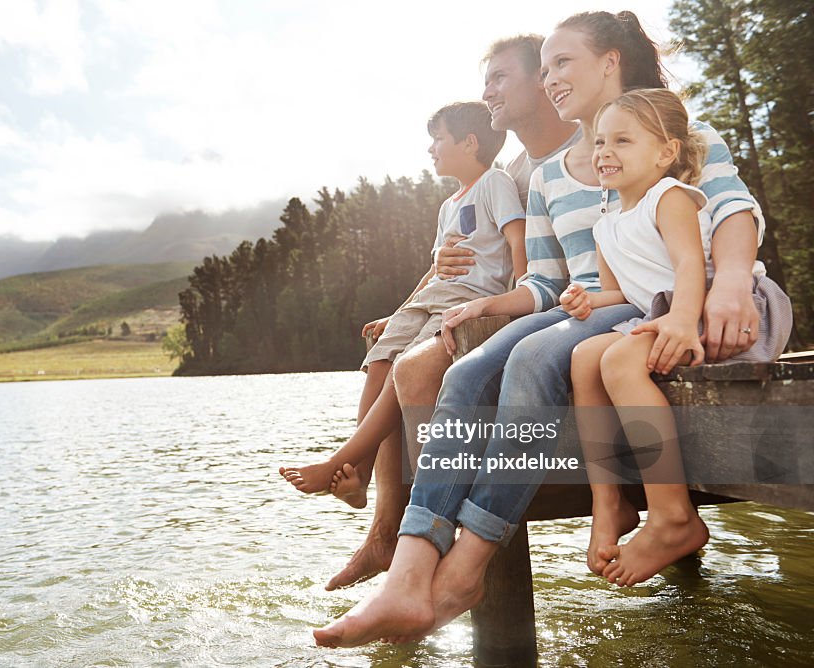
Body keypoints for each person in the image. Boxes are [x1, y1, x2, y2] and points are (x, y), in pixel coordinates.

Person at [314, 10, 768, 648]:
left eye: (562, 63)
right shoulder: (551, 174)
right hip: (591, 304)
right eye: (546, 66)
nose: (551, 78)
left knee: (529, 364)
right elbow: (550, 282)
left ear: (610, 62)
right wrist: (485, 307)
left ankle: (466, 568)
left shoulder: (677, 137)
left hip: (656, 302)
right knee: (469, 371)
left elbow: (731, 211)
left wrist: (728, 285)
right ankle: (411, 569)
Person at [323, 34, 581, 591]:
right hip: (517, 303)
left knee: (414, 366)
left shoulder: (594, 144)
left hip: (561, 308)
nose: (487, 91)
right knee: (392, 355)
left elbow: (526, 259)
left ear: (543, 80)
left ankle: (407, 529)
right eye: (485, 80)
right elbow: (489, 244)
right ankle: (385, 530)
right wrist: (439, 269)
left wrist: (501, 300)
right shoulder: (511, 172)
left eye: (499, 78)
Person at [566, 88, 791, 586]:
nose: (605, 152)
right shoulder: (605, 226)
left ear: (665, 153)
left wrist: (684, 320)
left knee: (620, 362)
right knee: (585, 357)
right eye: (600, 141)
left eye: (622, 141)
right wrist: (585, 301)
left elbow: (690, 263)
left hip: (720, 308)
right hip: (670, 312)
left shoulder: (669, 198)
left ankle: (673, 517)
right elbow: (619, 293)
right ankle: (609, 502)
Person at [279, 101, 527, 504]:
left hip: (470, 299)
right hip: (432, 297)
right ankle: (358, 473)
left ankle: (341, 460)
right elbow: (434, 271)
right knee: (379, 359)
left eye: (438, 139)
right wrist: (398, 313)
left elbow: (517, 238)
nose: (431, 149)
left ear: (469, 143)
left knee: (403, 367)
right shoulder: (448, 204)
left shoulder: (494, 184)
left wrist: (516, 296)